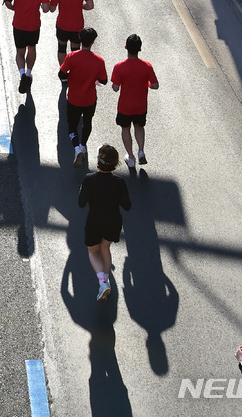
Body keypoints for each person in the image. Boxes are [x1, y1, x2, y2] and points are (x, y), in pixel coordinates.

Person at [78, 144, 131, 301]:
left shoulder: (89, 180)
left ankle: (102, 283)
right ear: (115, 163)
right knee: (105, 248)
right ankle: (105, 281)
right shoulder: (119, 182)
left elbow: (81, 203)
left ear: (98, 161)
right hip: (113, 221)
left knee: (93, 251)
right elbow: (127, 205)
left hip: (94, 220)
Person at [60, 28, 108, 167]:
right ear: (93, 42)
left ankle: (76, 148)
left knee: (72, 126)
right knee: (87, 122)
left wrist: (72, 77)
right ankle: (83, 144)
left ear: (79, 38)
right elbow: (104, 80)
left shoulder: (71, 56)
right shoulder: (99, 60)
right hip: (90, 99)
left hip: (74, 98)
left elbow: (61, 74)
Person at [111, 34, 159, 168]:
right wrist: (146, 84)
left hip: (125, 107)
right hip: (140, 106)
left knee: (125, 129)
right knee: (139, 127)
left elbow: (115, 88)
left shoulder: (119, 67)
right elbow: (155, 85)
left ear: (126, 48)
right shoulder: (147, 66)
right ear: (140, 49)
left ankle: (131, 158)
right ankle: (141, 151)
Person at [4, 0, 51, 93]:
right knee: (32, 49)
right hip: (33, 25)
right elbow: (46, 8)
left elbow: (8, 2)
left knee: (20, 52)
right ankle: (29, 73)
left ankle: (22, 73)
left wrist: (14, 8)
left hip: (18, 24)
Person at [50, 0, 94, 74]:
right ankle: (74, 72)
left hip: (62, 25)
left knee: (61, 48)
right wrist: (80, 6)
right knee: (75, 50)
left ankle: (63, 72)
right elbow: (90, 5)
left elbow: (52, 9)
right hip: (77, 25)